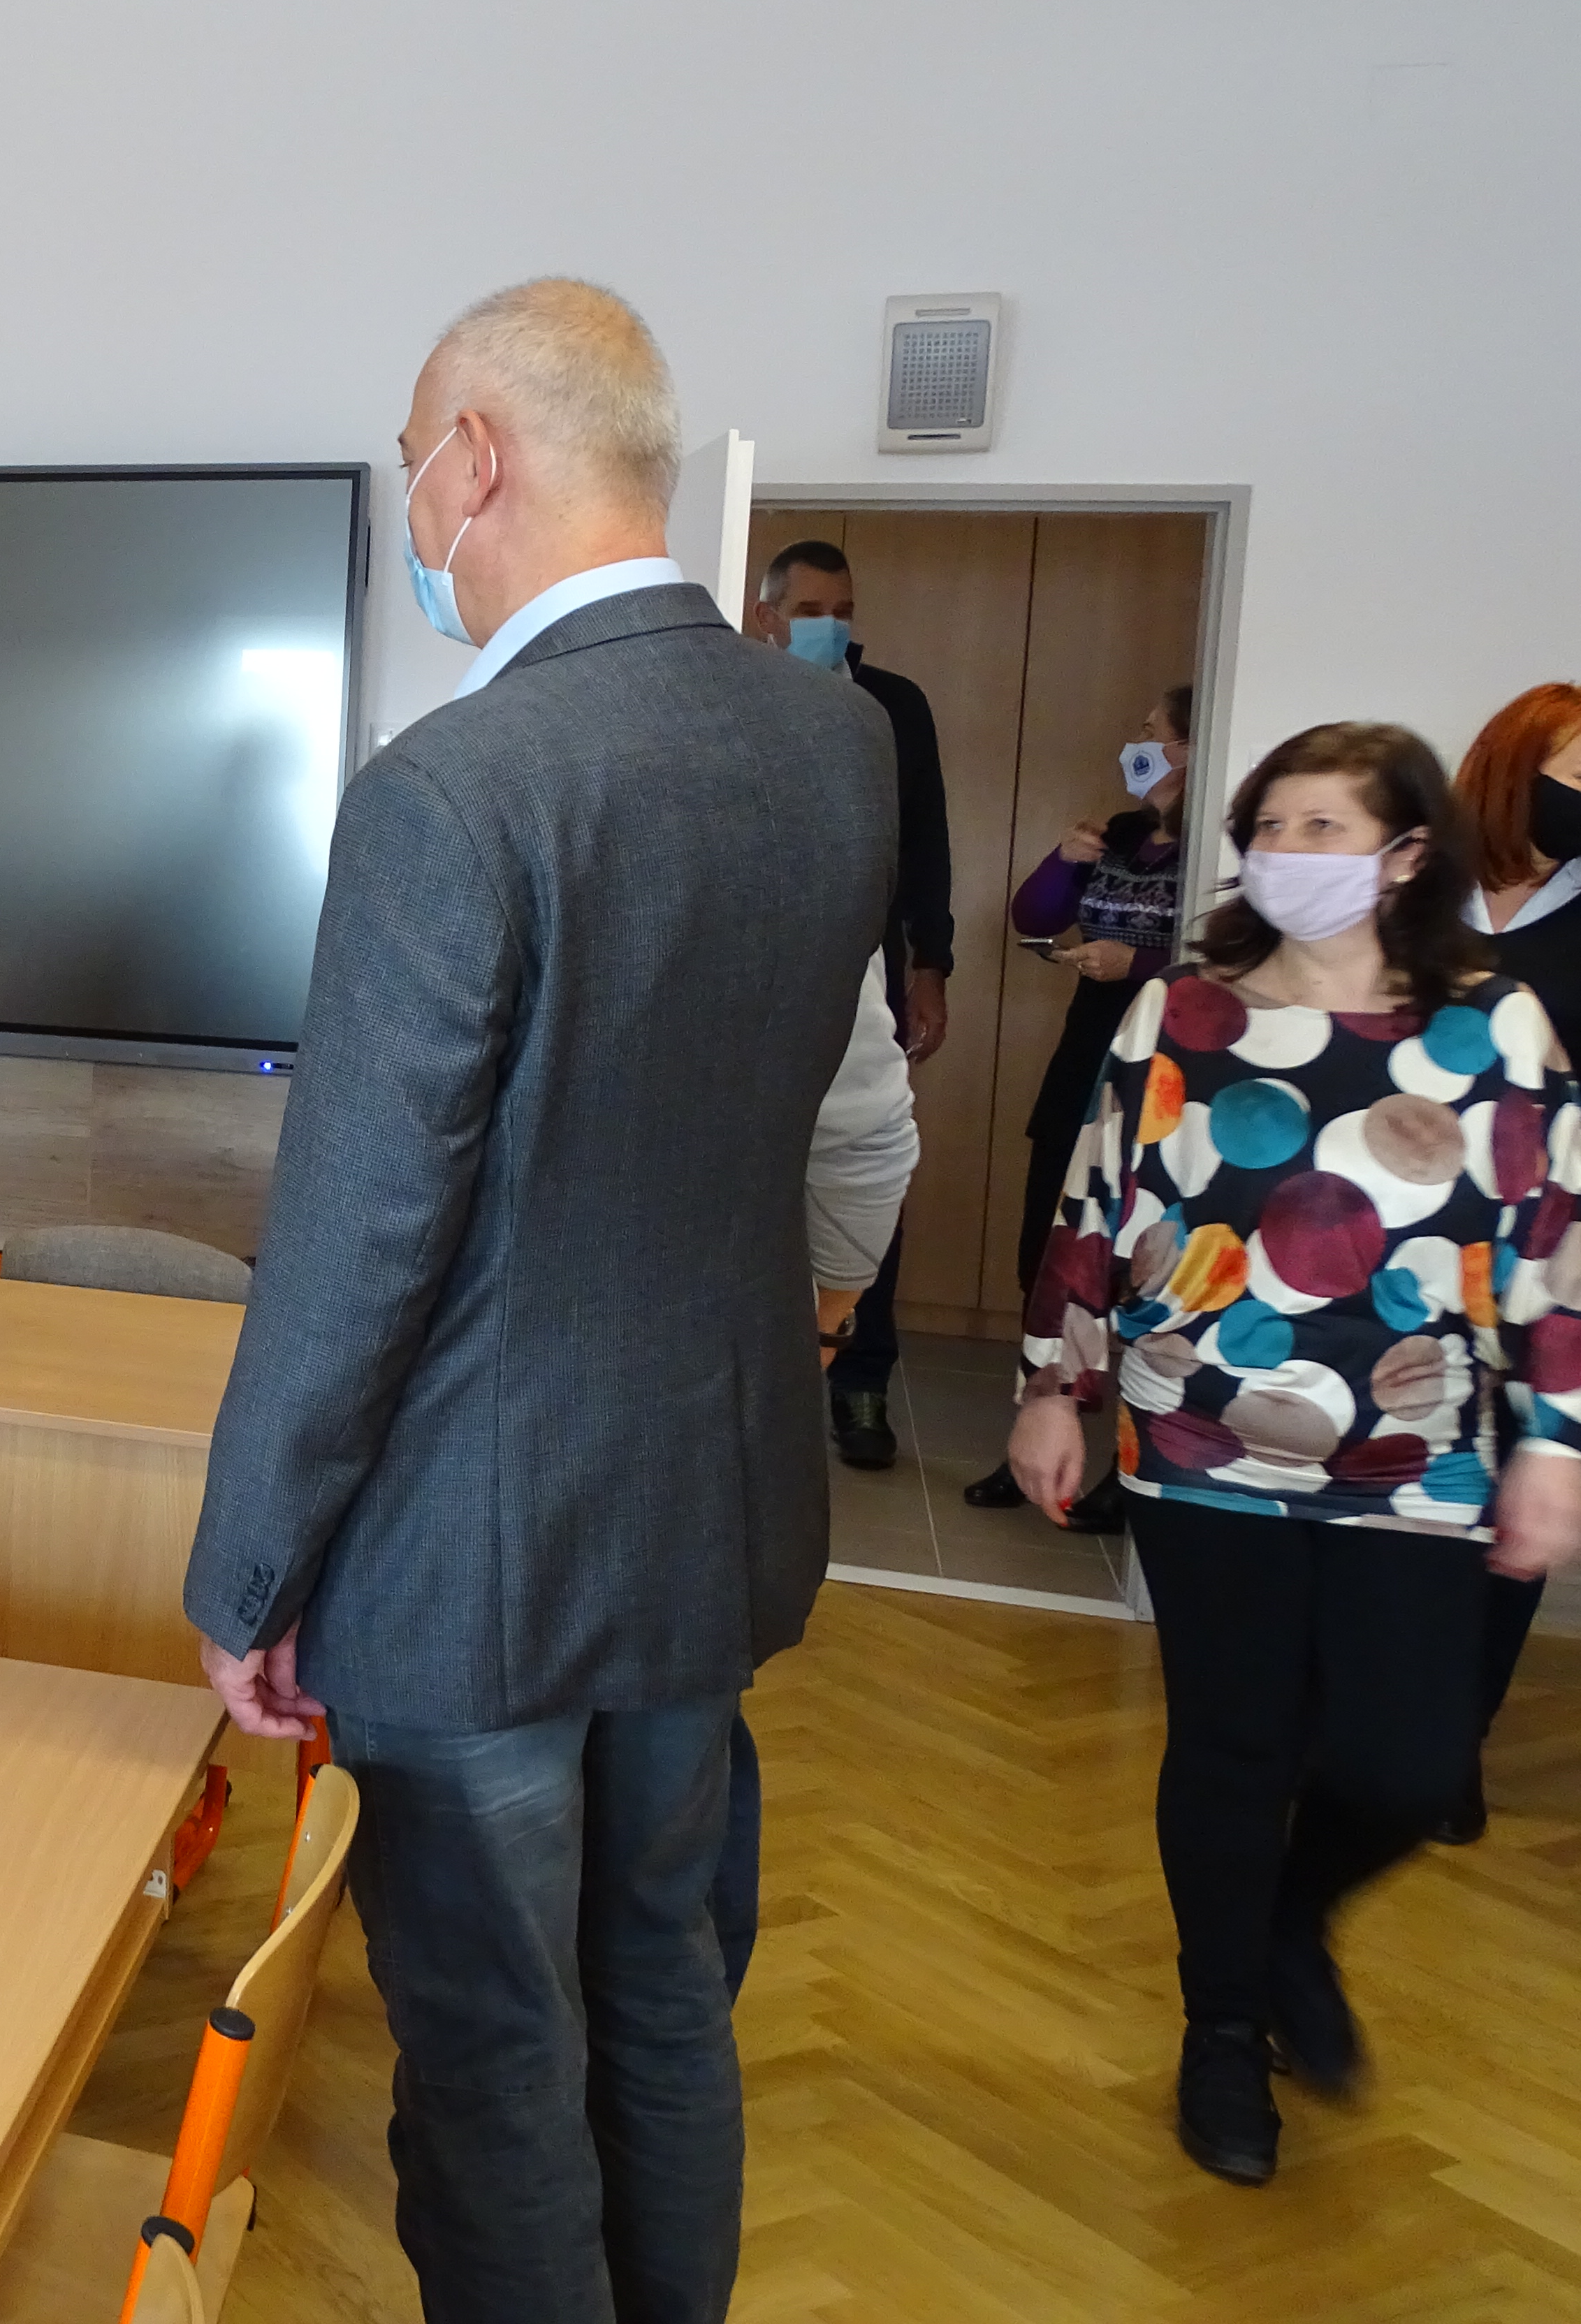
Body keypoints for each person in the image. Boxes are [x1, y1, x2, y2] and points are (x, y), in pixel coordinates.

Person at [185, 279, 895, 2321]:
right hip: (708, 1510)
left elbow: (358, 1241)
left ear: (475, 458)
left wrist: (248, 1573)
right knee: (660, 1984)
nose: (413, 499)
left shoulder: (455, 788)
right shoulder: (833, 745)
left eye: (412, 453)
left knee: (497, 2048)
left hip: (475, 1561)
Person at [1007, 722, 1581, 2188]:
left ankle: (1287, 1922)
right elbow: (1094, 1202)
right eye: (1270, 824)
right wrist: (1052, 1386)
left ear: (1405, 854)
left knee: (1405, 1762)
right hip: (1199, 1433)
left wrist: (1555, 1440)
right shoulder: (1183, 1012)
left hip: (1419, 1449)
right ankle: (1220, 2028)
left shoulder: (1494, 1025)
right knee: (1232, 1743)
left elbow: (1551, 1244)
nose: (1287, 850)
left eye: (1324, 826)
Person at [717, 954, 923, 2001]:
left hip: (505, 1418)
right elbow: (866, 1138)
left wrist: (829, 1325)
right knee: (677, 1765)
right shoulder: (804, 866)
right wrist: (827, 1321)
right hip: (709, 1392)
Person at [963, 681, 1194, 1526]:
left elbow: (1221, 957)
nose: (1138, 747)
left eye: (1154, 734)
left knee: (1148, 1269)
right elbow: (1032, 919)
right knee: (1051, 1253)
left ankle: (1133, 1466)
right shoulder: (1122, 835)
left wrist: (1137, 966)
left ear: (1190, 749)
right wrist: (1064, 861)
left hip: (1167, 1074)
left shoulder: (1212, 845)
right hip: (1084, 1062)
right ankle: (1036, 1437)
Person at [750, 541, 954, 1472]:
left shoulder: (892, 706)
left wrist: (931, 965)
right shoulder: (738, 699)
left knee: (865, 1153)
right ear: (768, 617)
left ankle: (859, 1375)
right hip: (754, 965)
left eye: (843, 608)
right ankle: (764, 1369)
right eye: (811, 610)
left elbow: (927, 843)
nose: (831, 625)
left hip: (865, 963)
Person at [1442, 681, 1581, 1839]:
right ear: (1510, 767)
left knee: (1511, 1498)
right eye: (1579, 775)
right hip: (1402, 1244)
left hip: (1549, 1253)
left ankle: (1453, 1741)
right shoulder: (1408, 887)